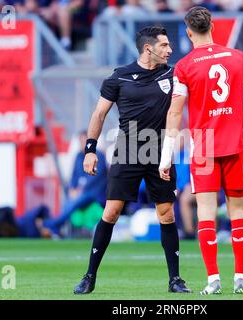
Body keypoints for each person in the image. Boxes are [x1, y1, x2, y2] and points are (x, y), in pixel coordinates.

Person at [159, 6, 243, 295]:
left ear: (188, 32)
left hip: (205, 147)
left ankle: (213, 280)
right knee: (238, 211)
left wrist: (166, 156)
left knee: (206, 213)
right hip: (235, 144)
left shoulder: (184, 67)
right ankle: (241, 278)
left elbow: (175, 113)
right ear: (212, 25)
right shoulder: (238, 58)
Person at [73, 26, 191, 295]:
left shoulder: (173, 73)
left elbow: (208, 71)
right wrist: (90, 150)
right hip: (128, 149)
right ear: (148, 49)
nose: (170, 50)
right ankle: (89, 276)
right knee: (112, 212)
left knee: (166, 213)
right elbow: (99, 114)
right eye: (164, 46)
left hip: (160, 150)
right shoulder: (119, 77)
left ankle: (175, 280)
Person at [44, 130, 107, 237]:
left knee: (74, 202)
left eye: (85, 141)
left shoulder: (98, 155)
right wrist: (72, 189)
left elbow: (95, 178)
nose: (83, 144)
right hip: (80, 192)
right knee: (68, 201)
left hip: (94, 193)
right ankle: (57, 227)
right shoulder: (78, 156)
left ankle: (53, 224)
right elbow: (73, 177)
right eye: (81, 142)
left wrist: (80, 189)